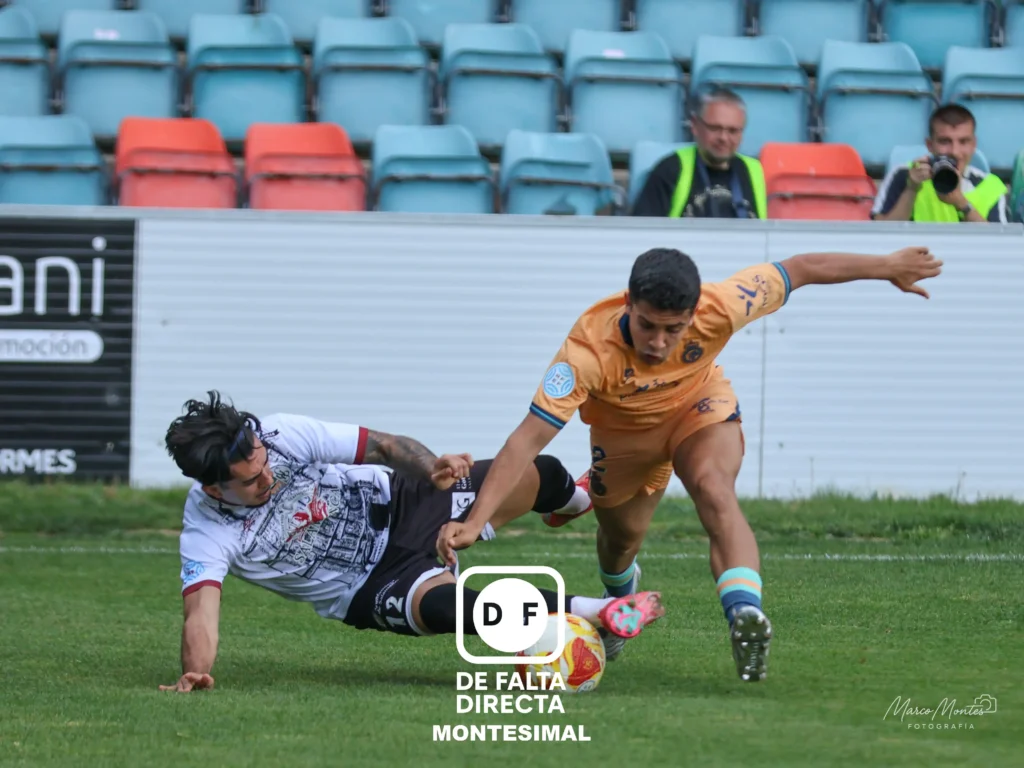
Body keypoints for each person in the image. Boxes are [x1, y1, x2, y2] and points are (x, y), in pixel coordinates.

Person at [436, 246, 942, 681]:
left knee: (713, 487)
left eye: (673, 330)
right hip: (624, 439)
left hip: (698, 409)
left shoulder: (722, 305)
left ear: (694, 311)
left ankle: (745, 614)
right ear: (628, 303)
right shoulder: (585, 351)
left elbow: (802, 268)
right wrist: (474, 521)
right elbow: (527, 439)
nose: (659, 342)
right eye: (648, 326)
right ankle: (616, 606)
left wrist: (886, 266)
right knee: (619, 544)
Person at [158, 391, 664, 693]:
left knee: (541, 473)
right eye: (250, 481)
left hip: (406, 500)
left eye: (264, 464)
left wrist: (432, 469)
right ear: (212, 488)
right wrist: (196, 672)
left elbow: (384, 446)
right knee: (449, 608)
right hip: (369, 583)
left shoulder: (280, 434)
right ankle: (603, 610)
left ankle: (570, 502)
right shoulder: (207, 531)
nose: (266, 476)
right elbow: (200, 615)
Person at [631, 88, 766, 220]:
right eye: (714, 128)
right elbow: (644, 234)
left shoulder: (754, 170)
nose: (724, 138)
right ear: (695, 126)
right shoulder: (670, 169)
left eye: (733, 131)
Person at [872, 104, 1010, 224]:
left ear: (973, 145)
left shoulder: (990, 186)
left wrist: (962, 203)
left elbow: (1000, 245)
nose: (955, 152)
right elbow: (880, 235)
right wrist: (911, 189)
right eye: (945, 141)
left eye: (963, 142)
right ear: (930, 145)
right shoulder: (903, 174)